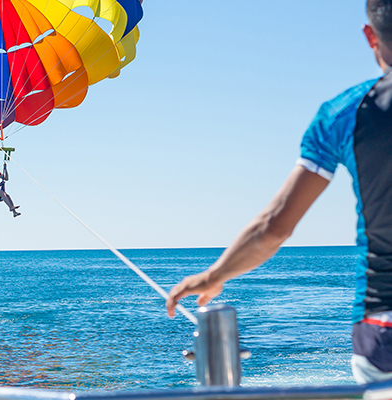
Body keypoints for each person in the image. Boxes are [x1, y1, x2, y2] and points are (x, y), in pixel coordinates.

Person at [165, 0, 392, 384]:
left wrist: (216, 274)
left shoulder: (343, 114)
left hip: (381, 327)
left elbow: (274, 227)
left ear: (370, 36)